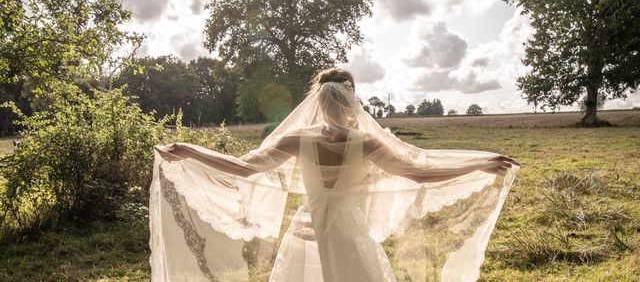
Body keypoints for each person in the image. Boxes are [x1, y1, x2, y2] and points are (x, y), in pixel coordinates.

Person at [151, 68, 520, 282]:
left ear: (318, 104)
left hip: (306, 229)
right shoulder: (366, 143)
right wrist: (478, 164)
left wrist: (189, 151)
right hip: (347, 232)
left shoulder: (297, 140)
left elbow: (246, 168)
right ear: (352, 104)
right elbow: (419, 173)